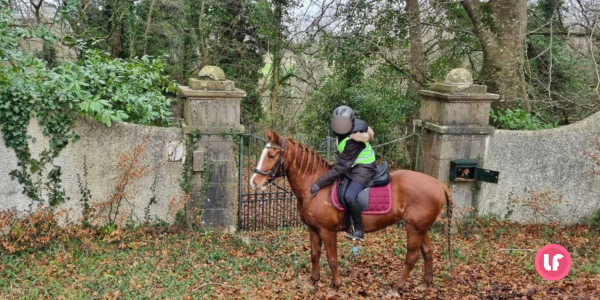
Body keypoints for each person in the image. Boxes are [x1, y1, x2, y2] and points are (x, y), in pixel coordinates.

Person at [310, 106, 376, 241]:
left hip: (364, 168)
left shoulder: (354, 140)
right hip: (353, 165)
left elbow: (341, 168)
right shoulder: (343, 133)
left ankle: (358, 230)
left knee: (349, 195)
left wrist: (319, 183)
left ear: (350, 122)